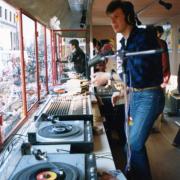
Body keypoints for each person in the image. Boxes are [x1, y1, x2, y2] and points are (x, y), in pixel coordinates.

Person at [91, 1, 165, 180]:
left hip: (149, 97)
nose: (113, 22)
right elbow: (131, 76)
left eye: (116, 16)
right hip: (136, 96)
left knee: (134, 143)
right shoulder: (125, 43)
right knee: (129, 144)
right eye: (110, 19)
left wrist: (108, 76)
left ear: (129, 16)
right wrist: (123, 91)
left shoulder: (144, 36)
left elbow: (140, 75)